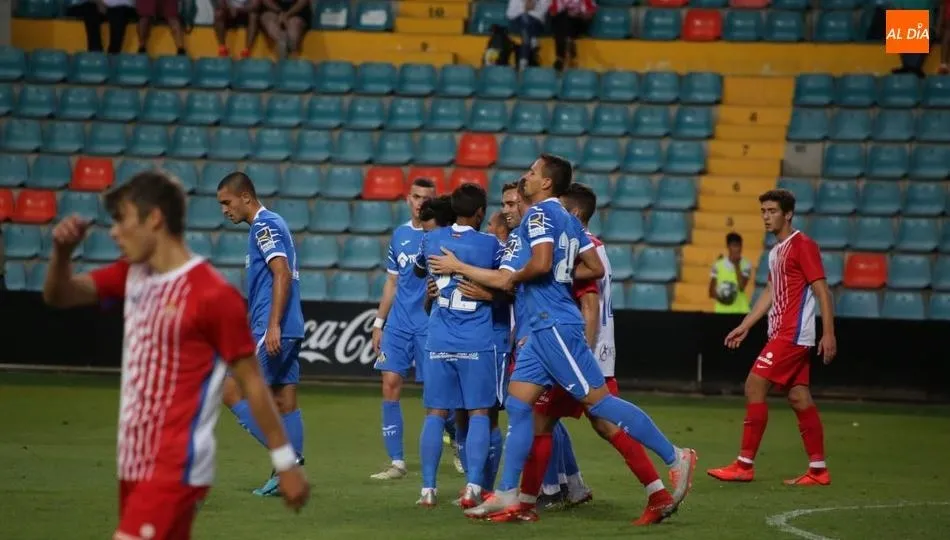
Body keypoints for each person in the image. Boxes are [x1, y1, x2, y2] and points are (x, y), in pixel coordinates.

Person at [41, 171, 309, 539]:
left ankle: (289, 461)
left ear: (153, 219)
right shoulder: (132, 275)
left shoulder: (214, 295)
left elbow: (251, 381)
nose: (114, 233)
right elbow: (59, 295)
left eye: (123, 220)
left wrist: (285, 461)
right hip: (134, 463)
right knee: (281, 395)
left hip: (174, 469)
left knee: (236, 389)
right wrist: (61, 253)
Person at [430, 154, 697, 523]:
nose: (525, 176)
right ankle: (508, 493)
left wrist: (468, 269)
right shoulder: (568, 219)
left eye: (532, 172)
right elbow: (593, 267)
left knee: (600, 404)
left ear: (546, 183)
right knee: (520, 405)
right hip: (539, 331)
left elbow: (538, 265)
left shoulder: (540, 214)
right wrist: (556, 271)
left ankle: (675, 455)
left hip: (554, 323)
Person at [516, 183, 678, 525]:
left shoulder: (574, 246)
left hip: (578, 351)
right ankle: (529, 501)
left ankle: (668, 472)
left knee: (604, 421)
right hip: (577, 349)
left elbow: (589, 303)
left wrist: (583, 355)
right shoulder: (591, 247)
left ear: (573, 214)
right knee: (546, 421)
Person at [707, 189, 837, 486]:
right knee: (798, 397)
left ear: (788, 214)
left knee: (754, 384)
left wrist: (828, 333)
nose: (766, 217)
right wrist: (746, 325)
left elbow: (822, 291)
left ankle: (744, 465)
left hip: (792, 334)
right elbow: (770, 291)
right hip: (781, 332)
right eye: (763, 211)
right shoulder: (777, 251)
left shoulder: (803, 245)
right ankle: (818, 470)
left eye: (772, 211)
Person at [413, 183, 505, 508]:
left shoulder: (430, 239)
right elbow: (508, 283)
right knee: (479, 412)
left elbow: (419, 270)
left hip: (438, 338)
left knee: (435, 414)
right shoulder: (490, 245)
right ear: (480, 212)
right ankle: (473, 488)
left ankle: (427, 490)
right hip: (476, 340)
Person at [216, 171, 307, 497]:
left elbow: (281, 273)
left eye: (227, 202)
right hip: (289, 325)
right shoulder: (273, 223)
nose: (225, 210)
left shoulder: (264, 226)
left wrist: (272, 325)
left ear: (245, 197)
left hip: (275, 327)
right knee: (284, 398)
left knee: (230, 390)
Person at [371, 178, 437, 480]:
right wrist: (379, 323)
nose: (421, 202)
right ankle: (396, 462)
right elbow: (392, 282)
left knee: (435, 393)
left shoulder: (439, 235)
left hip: (428, 323)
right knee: (390, 383)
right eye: (416, 197)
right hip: (398, 323)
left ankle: (454, 440)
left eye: (427, 198)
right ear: (408, 199)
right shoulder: (399, 235)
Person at [67, 0, 137, 55]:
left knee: (119, 13)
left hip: (123, 8)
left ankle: (113, 53)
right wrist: (99, 3)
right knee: (90, 8)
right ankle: (95, 51)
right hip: (97, 5)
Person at [709, 232, 753, 314]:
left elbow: (741, 287)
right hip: (722, 311)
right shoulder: (718, 265)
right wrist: (725, 299)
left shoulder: (746, 264)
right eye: (735, 246)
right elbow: (711, 292)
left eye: (739, 246)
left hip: (740, 310)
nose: (738, 249)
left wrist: (737, 265)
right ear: (728, 246)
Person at [548, 0, 596, 71]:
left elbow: (589, 15)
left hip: (579, 22)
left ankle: (561, 58)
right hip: (563, 24)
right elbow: (552, 13)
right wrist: (561, 10)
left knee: (564, 24)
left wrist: (577, 14)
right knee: (563, 19)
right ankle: (568, 52)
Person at [506, 0, 551, 70]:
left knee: (526, 23)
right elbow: (509, 14)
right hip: (518, 23)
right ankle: (532, 39)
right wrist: (524, 8)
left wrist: (533, 7)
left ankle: (523, 61)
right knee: (525, 19)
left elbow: (543, 11)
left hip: (536, 23)